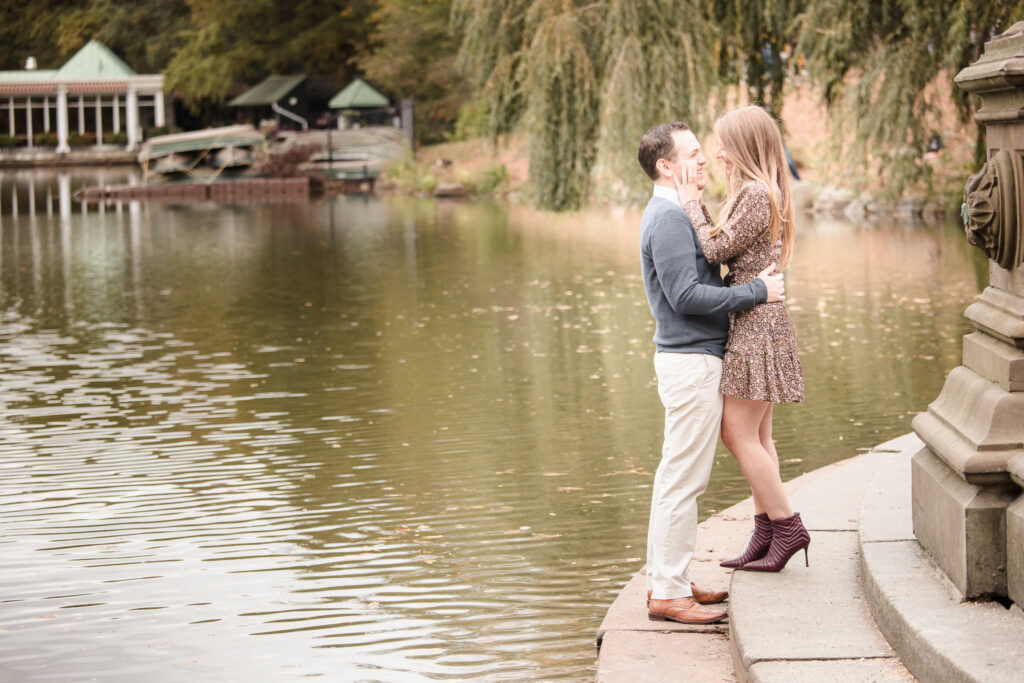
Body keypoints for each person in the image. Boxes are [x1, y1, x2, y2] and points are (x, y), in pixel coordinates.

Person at [636, 122, 786, 624]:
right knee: (683, 480)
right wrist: (757, 293)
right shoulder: (670, 219)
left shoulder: (677, 214)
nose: (704, 160)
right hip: (691, 362)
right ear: (666, 165)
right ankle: (669, 594)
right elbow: (686, 297)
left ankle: (670, 581)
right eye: (693, 154)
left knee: (675, 478)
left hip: (693, 360)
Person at [674, 105, 810, 573]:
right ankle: (766, 532)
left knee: (736, 433)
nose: (717, 153)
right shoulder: (760, 191)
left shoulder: (755, 192)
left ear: (744, 146)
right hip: (760, 319)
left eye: (723, 144)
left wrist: (689, 201)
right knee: (758, 434)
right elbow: (725, 239)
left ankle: (788, 526)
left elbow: (713, 248)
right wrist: (703, 206)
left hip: (756, 324)